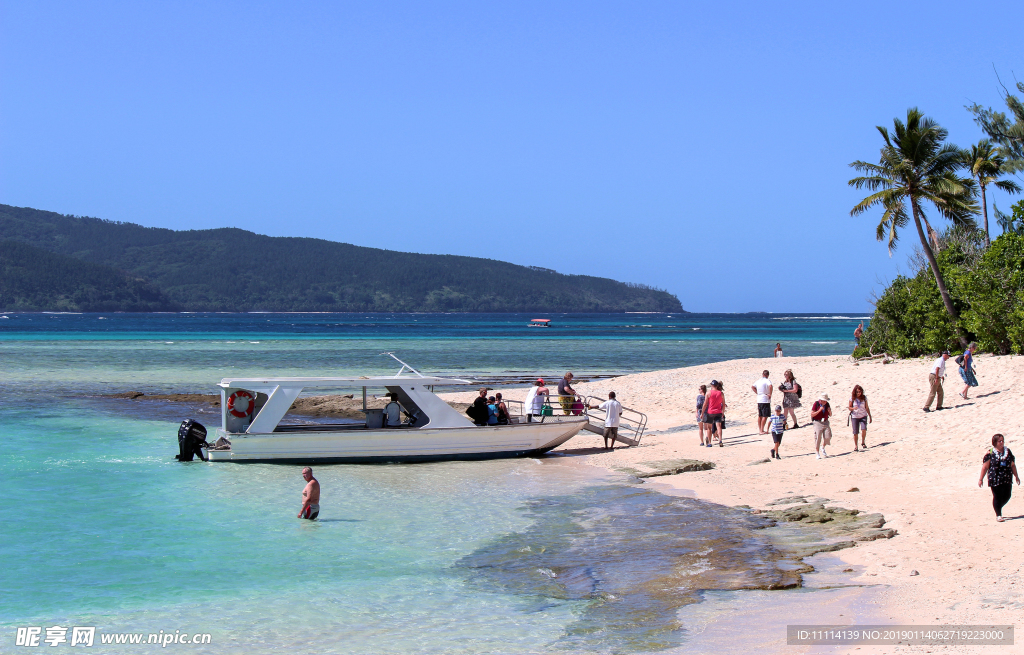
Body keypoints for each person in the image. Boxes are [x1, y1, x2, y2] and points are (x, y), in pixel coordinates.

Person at [978, 434, 1019, 522]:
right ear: (995, 443)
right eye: (999, 441)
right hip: (995, 478)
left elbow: (1012, 465)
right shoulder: (991, 452)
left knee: (1007, 495)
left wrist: (1016, 476)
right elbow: (985, 467)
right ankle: (998, 514)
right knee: (997, 496)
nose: (1001, 442)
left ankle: (997, 507)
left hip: (1007, 477)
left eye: (1002, 441)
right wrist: (981, 479)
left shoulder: (1008, 451)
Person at [701, 380, 726, 448]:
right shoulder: (721, 393)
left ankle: (709, 442)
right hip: (718, 412)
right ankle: (720, 440)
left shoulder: (708, 393)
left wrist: (702, 413)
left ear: (712, 385)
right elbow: (723, 404)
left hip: (711, 412)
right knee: (719, 426)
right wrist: (723, 412)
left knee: (709, 428)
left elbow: (705, 404)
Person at [848, 385, 872, 451]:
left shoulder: (864, 398)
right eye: (857, 392)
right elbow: (849, 407)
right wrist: (853, 408)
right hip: (855, 417)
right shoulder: (852, 398)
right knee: (855, 432)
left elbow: (867, 407)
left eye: (860, 391)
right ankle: (856, 446)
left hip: (863, 415)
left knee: (864, 429)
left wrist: (870, 416)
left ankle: (863, 442)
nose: (859, 393)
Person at [811, 393, 832, 459]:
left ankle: (822, 447)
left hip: (825, 422)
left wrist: (829, 411)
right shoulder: (816, 404)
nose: (825, 402)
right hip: (817, 422)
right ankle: (817, 453)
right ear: (821, 400)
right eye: (824, 400)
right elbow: (812, 414)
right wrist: (819, 410)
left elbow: (830, 415)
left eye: (826, 400)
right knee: (818, 437)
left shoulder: (827, 404)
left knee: (828, 436)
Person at [752, 370, 773, 434]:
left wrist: (757, 393)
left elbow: (753, 387)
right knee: (765, 415)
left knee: (760, 415)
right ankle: (761, 430)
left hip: (759, 399)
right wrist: (770, 394)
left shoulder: (758, 381)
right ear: (767, 375)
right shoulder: (767, 380)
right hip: (765, 399)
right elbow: (770, 386)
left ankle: (760, 429)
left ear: (762, 374)